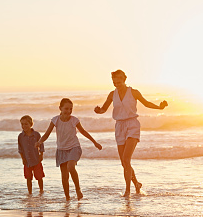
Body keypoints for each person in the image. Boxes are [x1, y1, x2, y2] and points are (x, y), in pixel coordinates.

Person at [94, 69, 168, 197]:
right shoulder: (112, 94)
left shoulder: (133, 92)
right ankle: (137, 184)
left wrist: (159, 107)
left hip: (132, 125)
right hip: (119, 126)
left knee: (126, 159)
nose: (116, 83)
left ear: (124, 79)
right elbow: (104, 109)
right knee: (124, 162)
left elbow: (146, 103)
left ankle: (127, 191)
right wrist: (98, 111)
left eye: (118, 80)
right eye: (114, 81)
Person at [37, 98, 102, 201]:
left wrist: (95, 142)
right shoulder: (55, 120)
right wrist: (40, 142)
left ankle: (77, 189)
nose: (69, 111)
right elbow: (47, 134)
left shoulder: (74, 120)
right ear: (60, 108)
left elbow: (83, 132)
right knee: (64, 176)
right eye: (66, 108)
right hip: (61, 150)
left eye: (71, 109)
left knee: (71, 166)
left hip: (74, 147)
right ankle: (67, 198)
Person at [18, 115, 45, 194]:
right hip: (27, 161)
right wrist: (23, 159)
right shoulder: (20, 136)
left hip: (36, 159)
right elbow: (20, 149)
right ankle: (30, 193)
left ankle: (41, 190)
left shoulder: (36, 134)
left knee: (39, 177)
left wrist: (41, 154)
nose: (24, 126)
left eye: (26, 124)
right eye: (22, 124)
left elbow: (41, 145)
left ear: (31, 124)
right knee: (28, 178)